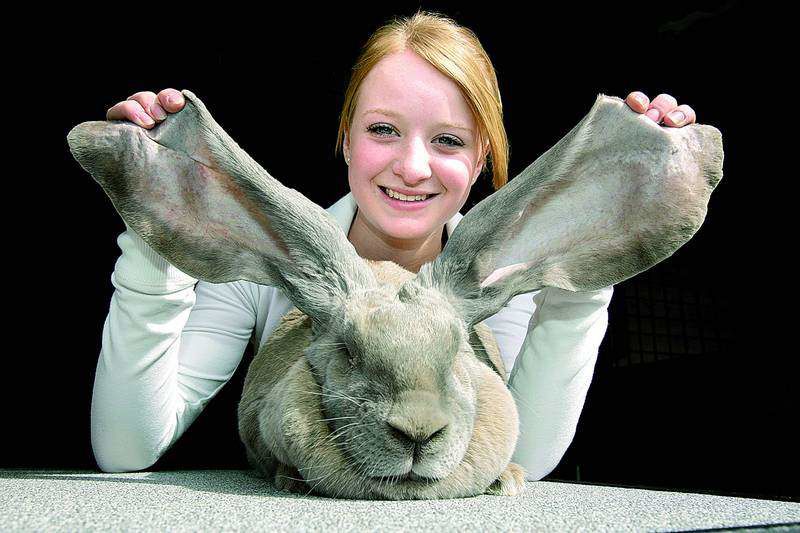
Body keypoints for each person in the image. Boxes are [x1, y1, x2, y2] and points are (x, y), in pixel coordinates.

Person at [92, 10, 697, 480]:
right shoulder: (264, 266)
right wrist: (156, 223)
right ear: (347, 139)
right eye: (383, 130)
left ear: (481, 159)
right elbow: (126, 448)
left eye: (449, 141)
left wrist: (597, 229)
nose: (412, 167)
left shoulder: (504, 278)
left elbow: (524, 459)